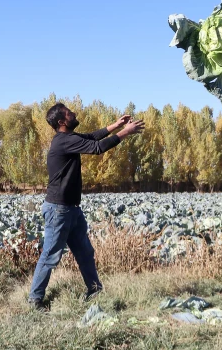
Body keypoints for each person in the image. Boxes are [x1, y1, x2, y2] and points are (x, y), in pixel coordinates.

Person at [28, 103, 145, 310]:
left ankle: (95, 290)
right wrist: (126, 132)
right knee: (50, 256)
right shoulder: (63, 142)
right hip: (58, 209)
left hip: (71, 209)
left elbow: (91, 138)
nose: (74, 114)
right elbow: (98, 148)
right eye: (69, 113)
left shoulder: (69, 139)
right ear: (62, 122)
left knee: (84, 252)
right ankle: (35, 300)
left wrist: (114, 125)